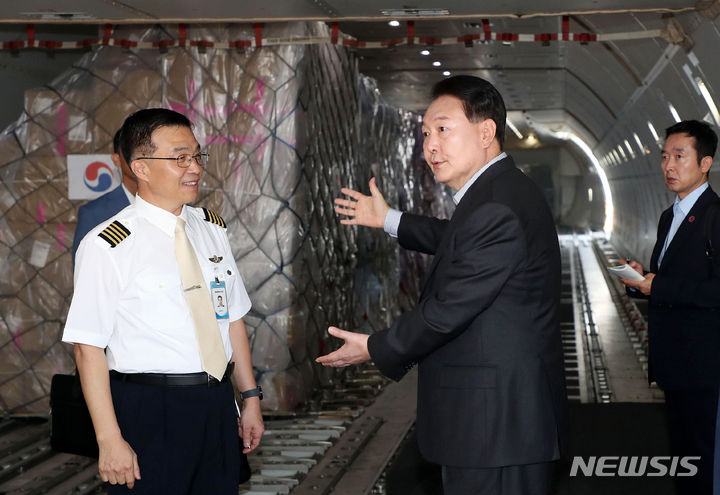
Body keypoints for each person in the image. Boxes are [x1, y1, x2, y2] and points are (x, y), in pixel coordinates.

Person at [317, 75, 567, 495]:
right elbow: (458, 240)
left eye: (444, 130)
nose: (430, 145)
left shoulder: (496, 206)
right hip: (498, 420)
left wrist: (376, 346)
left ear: (486, 132)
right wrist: (390, 220)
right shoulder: (498, 193)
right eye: (426, 133)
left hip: (494, 426)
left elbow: (449, 308)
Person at [62, 108, 264, 494]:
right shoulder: (110, 245)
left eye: (197, 156)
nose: (194, 169)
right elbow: (87, 348)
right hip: (150, 409)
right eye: (179, 158)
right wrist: (109, 440)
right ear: (141, 167)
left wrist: (250, 397)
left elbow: (232, 319)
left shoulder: (211, 230)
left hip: (217, 404)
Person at [622, 120, 720, 494]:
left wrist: (658, 284)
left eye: (680, 157)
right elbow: (667, 280)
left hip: (704, 366)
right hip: (675, 362)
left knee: (702, 458)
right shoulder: (669, 217)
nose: (669, 166)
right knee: (683, 457)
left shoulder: (715, 216)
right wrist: (641, 279)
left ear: (705, 163)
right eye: (664, 157)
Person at [71, 128, 137, 266]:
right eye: (131, 152)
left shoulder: (172, 207)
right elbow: (85, 270)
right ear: (116, 159)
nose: (139, 160)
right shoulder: (94, 213)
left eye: (146, 153)